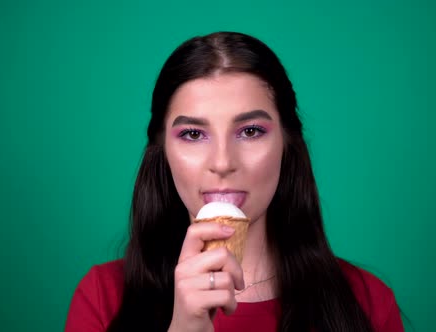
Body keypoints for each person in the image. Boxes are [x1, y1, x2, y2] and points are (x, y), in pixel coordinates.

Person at [65, 31, 404, 332]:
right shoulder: (102, 299)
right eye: (193, 134)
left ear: (287, 145)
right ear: (163, 151)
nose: (223, 163)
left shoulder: (367, 302)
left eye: (251, 131)